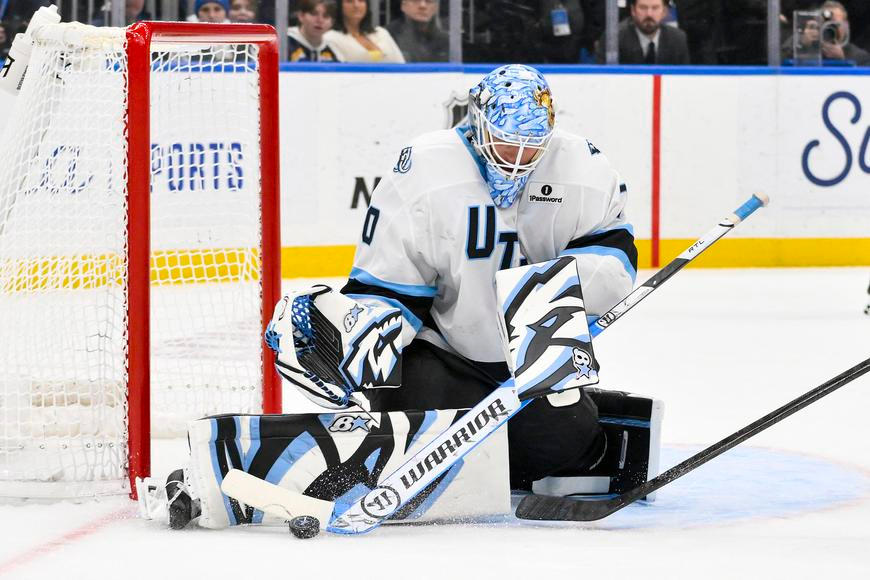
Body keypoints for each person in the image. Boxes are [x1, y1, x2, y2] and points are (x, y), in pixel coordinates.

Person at [336, 64, 637, 490]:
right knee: (417, 431)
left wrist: (557, 293)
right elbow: (388, 285)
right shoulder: (425, 169)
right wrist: (354, 345)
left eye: (531, 147)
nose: (516, 159)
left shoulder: (582, 167)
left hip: (535, 357)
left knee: (563, 449)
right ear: (478, 124)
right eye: (505, 142)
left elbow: (614, 258)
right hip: (443, 352)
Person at [598, 0, 690, 64]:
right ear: (633, 10)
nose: (649, 14)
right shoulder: (615, 38)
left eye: (655, 8)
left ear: (664, 11)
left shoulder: (678, 39)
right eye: (643, 8)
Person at [329, 0, 404, 63]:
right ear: (340, 6)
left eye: (361, 0)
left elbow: (401, 63)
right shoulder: (331, 38)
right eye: (349, 1)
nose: (356, 5)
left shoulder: (381, 33)